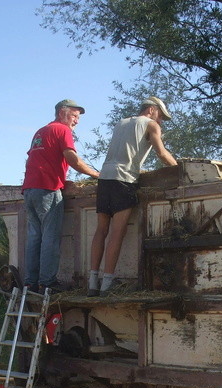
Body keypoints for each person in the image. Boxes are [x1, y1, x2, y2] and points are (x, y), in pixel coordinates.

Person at [88, 96, 178, 296]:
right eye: (161, 116)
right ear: (152, 110)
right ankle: (107, 285)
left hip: (105, 178)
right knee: (117, 233)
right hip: (124, 179)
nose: (161, 121)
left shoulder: (121, 123)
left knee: (101, 230)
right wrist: (180, 170)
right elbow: (161, 153)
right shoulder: (151, 125)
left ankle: (92, 283)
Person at [22, 99, 100, 293]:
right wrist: (97, 175)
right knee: (50, 237)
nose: (76, 121)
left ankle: (31, 282)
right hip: (48, 188)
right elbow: (72, 158)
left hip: (30, 189)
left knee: (35, 237)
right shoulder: (62, 130)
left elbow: (34, 159)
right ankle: (47, 282)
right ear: (62, 113)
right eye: (74, 116)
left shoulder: (40, 132)